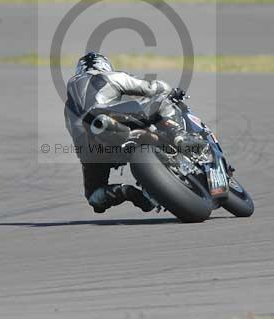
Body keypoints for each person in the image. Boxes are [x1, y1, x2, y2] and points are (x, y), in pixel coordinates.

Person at [64, 52, 205, 214]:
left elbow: (76, 136)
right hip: (109, 117)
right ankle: (181, 138)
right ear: (103, 65)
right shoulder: (111, 76)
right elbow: (152, 88)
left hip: (92, 149)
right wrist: (171, 91)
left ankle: (125, 192)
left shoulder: (68, 104)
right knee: (161, 101)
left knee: (94, 197)